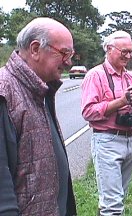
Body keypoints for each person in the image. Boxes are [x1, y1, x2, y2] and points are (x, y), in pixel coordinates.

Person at [0, 17, 77, 215]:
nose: (68, 62)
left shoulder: (40, 89)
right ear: (35, 49)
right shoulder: (4, 92)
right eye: (64, 53)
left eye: (71, 54)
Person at [81, 30, 132, 216]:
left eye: (131, 52)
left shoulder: (129, 77)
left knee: (119, 199)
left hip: (129, 140)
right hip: (107, 141)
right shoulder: (96, 75)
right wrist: (122, 101)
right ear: (109, 49)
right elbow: (88, 112)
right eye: (123, 51)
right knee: (113, 205)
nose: (128, 56)